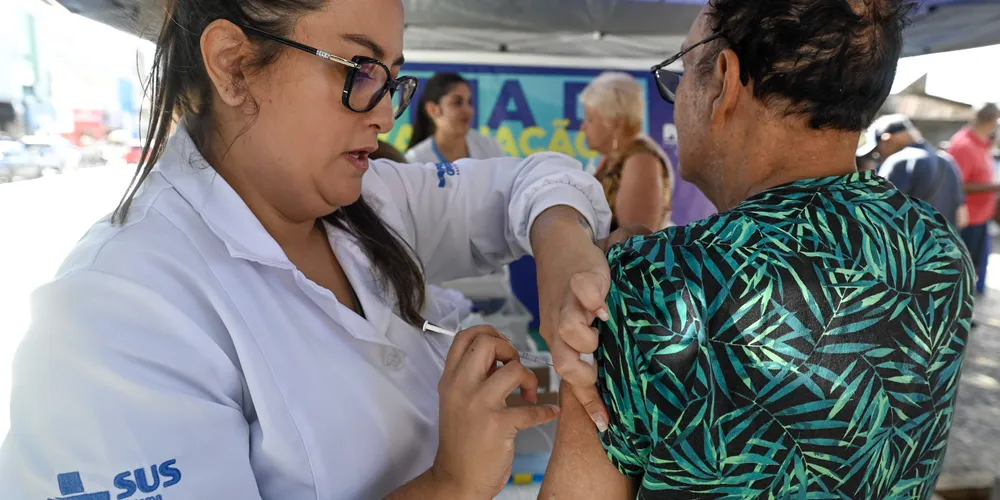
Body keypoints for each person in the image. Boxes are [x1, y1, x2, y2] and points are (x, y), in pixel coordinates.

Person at [0, 1, 617, 498]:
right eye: (358, 71)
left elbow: (532, 182)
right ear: (233, 63)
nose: (385, 118)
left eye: (393, 80)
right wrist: (450, 484)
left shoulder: (368, 199)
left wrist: (562, 257)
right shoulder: (115, 310)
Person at [541, 1, 973, 498]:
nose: (678, 97)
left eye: (681, 72)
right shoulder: (936, 248)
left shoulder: (653, 287)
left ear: (724, 76)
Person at [580, 71, 674, 230]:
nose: (583, 127)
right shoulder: (615, 157)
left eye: (590, 118)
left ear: (616, 123)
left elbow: (636, 240)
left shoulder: (641, 162)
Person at [864, 114, 968, 228]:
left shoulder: (899, 161)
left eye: (877, 152)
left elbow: (879, 215)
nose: (880, 157)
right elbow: (962, 218)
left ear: (887, 139)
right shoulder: (947, 161)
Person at [949, 102, 1000, 295]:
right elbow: (958, 185)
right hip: (967, 221)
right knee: (962, 273)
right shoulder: (963, 145)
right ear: (991, 121)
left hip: (981, 218)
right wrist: (996, 187)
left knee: (975, 272)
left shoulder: (983, 144)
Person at [405, 72, 505, 163]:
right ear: (432, 109)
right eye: (457, 103)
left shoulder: (490, 148)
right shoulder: (416, 159)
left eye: (469, 102)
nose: (468, 110)